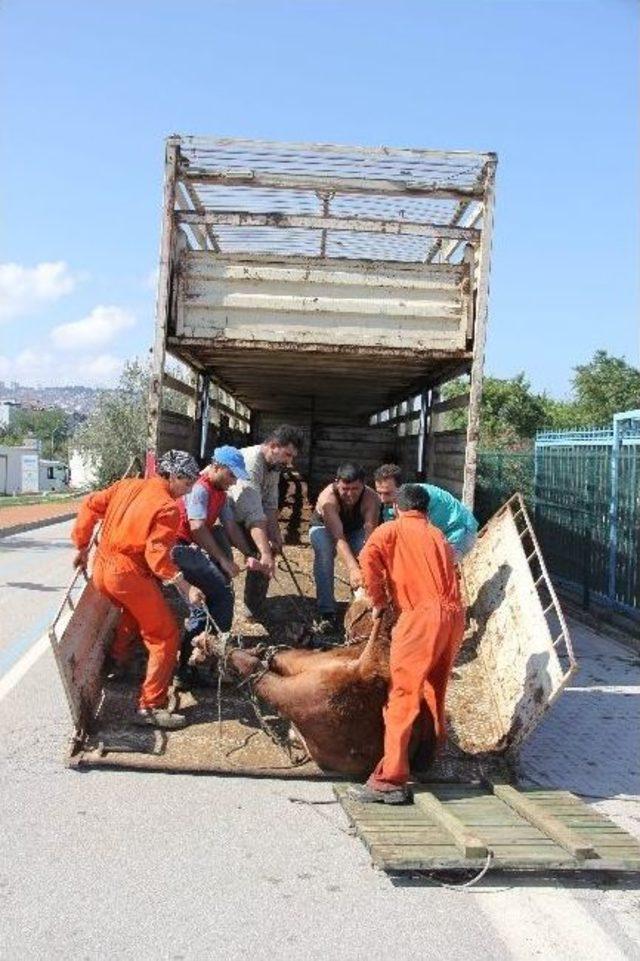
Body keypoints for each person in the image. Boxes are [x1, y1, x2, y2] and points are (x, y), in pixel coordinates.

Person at [70, 450, 204, 730]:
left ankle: (120, 660)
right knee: (165, 634)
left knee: (133, 612)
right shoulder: (167, 507)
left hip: (102, 570)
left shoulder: (126, 485)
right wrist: (185, 584)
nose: (189, 490)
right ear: (175, 476)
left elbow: (89, 505)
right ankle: (150, 706)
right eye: (188, 483)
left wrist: (82, 547)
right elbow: (157, 557)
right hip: (127, 574)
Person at [349, 484, 465, 805]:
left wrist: (379, 600)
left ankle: (391, 779)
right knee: (434, 689)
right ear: (426, 510)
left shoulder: (391, 530)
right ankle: (427, 755)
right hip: (453, 618)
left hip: (421, 618)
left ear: (398, 508)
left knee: (402, 695)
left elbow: (366, 558)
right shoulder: (439, 535)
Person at [171, 445, 266, 688]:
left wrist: (248, 553)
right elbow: (197, 528)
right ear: (216, 467)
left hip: (189, 549)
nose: (234, 482)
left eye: (236, 477)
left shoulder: (220, 493)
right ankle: (188, 666)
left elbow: (231, 526)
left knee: (221, 593)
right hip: (177, 548)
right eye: (231, 475)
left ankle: (210, 657)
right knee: (211, 600)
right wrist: (224, 560)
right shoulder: (200, 489)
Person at [227, 424, 304, 620]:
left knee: (269, 547)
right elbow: (253, 512)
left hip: (240, 512)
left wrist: (276, 537)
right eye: (287, 454)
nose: (290, 461)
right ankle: (226, 609)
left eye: (293, 457)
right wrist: (265, 552)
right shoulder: (252, 462)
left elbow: (269, 505)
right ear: (273, 445)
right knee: (260, 551)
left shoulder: (274, 466)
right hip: (222, 515)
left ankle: (254, 607)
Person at [308, 463, 379, 632]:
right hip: (324, 528)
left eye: (355, 489)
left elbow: (370, 533)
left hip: (355, 528)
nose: (350, 494)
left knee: (364, 551)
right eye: (345, 489)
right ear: (336, 483)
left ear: (363, 485)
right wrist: (353, 568)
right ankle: (326, 611)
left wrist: (364, 564)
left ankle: (360, 603)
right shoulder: (328, 499)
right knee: (324, 551)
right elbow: (338, 536)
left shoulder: (371, 498)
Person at [373, 463, 478, 561]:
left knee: (436, 570)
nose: (382, 499)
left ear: (401, 487)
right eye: (379, 493)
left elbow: (417, 539)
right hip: (440, 534)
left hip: (459, 531)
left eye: (387, 493)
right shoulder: (390, 504)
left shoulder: (419, 498)